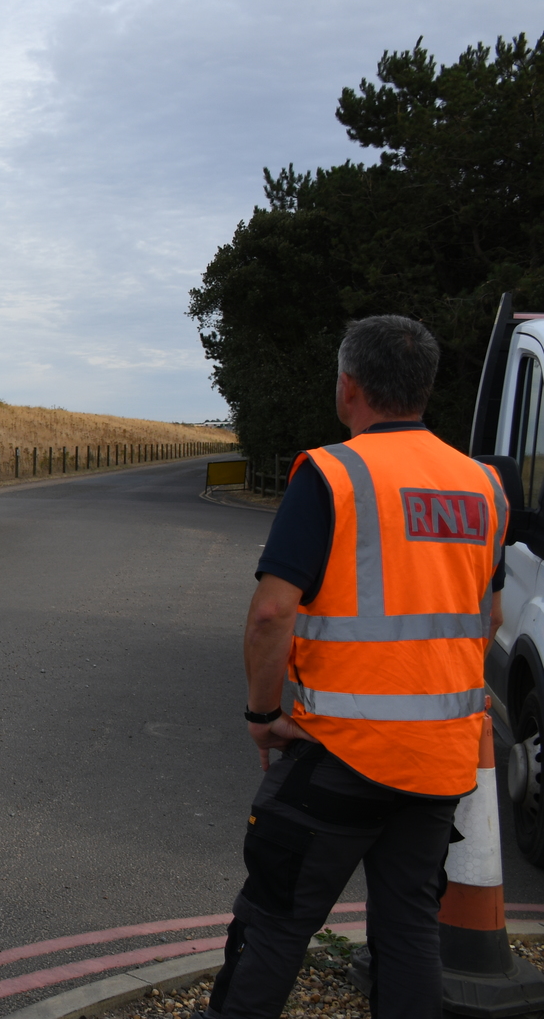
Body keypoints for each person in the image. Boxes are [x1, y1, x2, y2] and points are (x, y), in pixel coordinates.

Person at [204, 315, 508, 1019]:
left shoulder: (334, 474)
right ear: (424, 388)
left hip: (340, 753)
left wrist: (262, 716)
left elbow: (272, 614)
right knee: (407, 932)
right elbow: (486, 619)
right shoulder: (485, 487)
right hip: (441, 764)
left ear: (349, 387)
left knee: (274, 924)